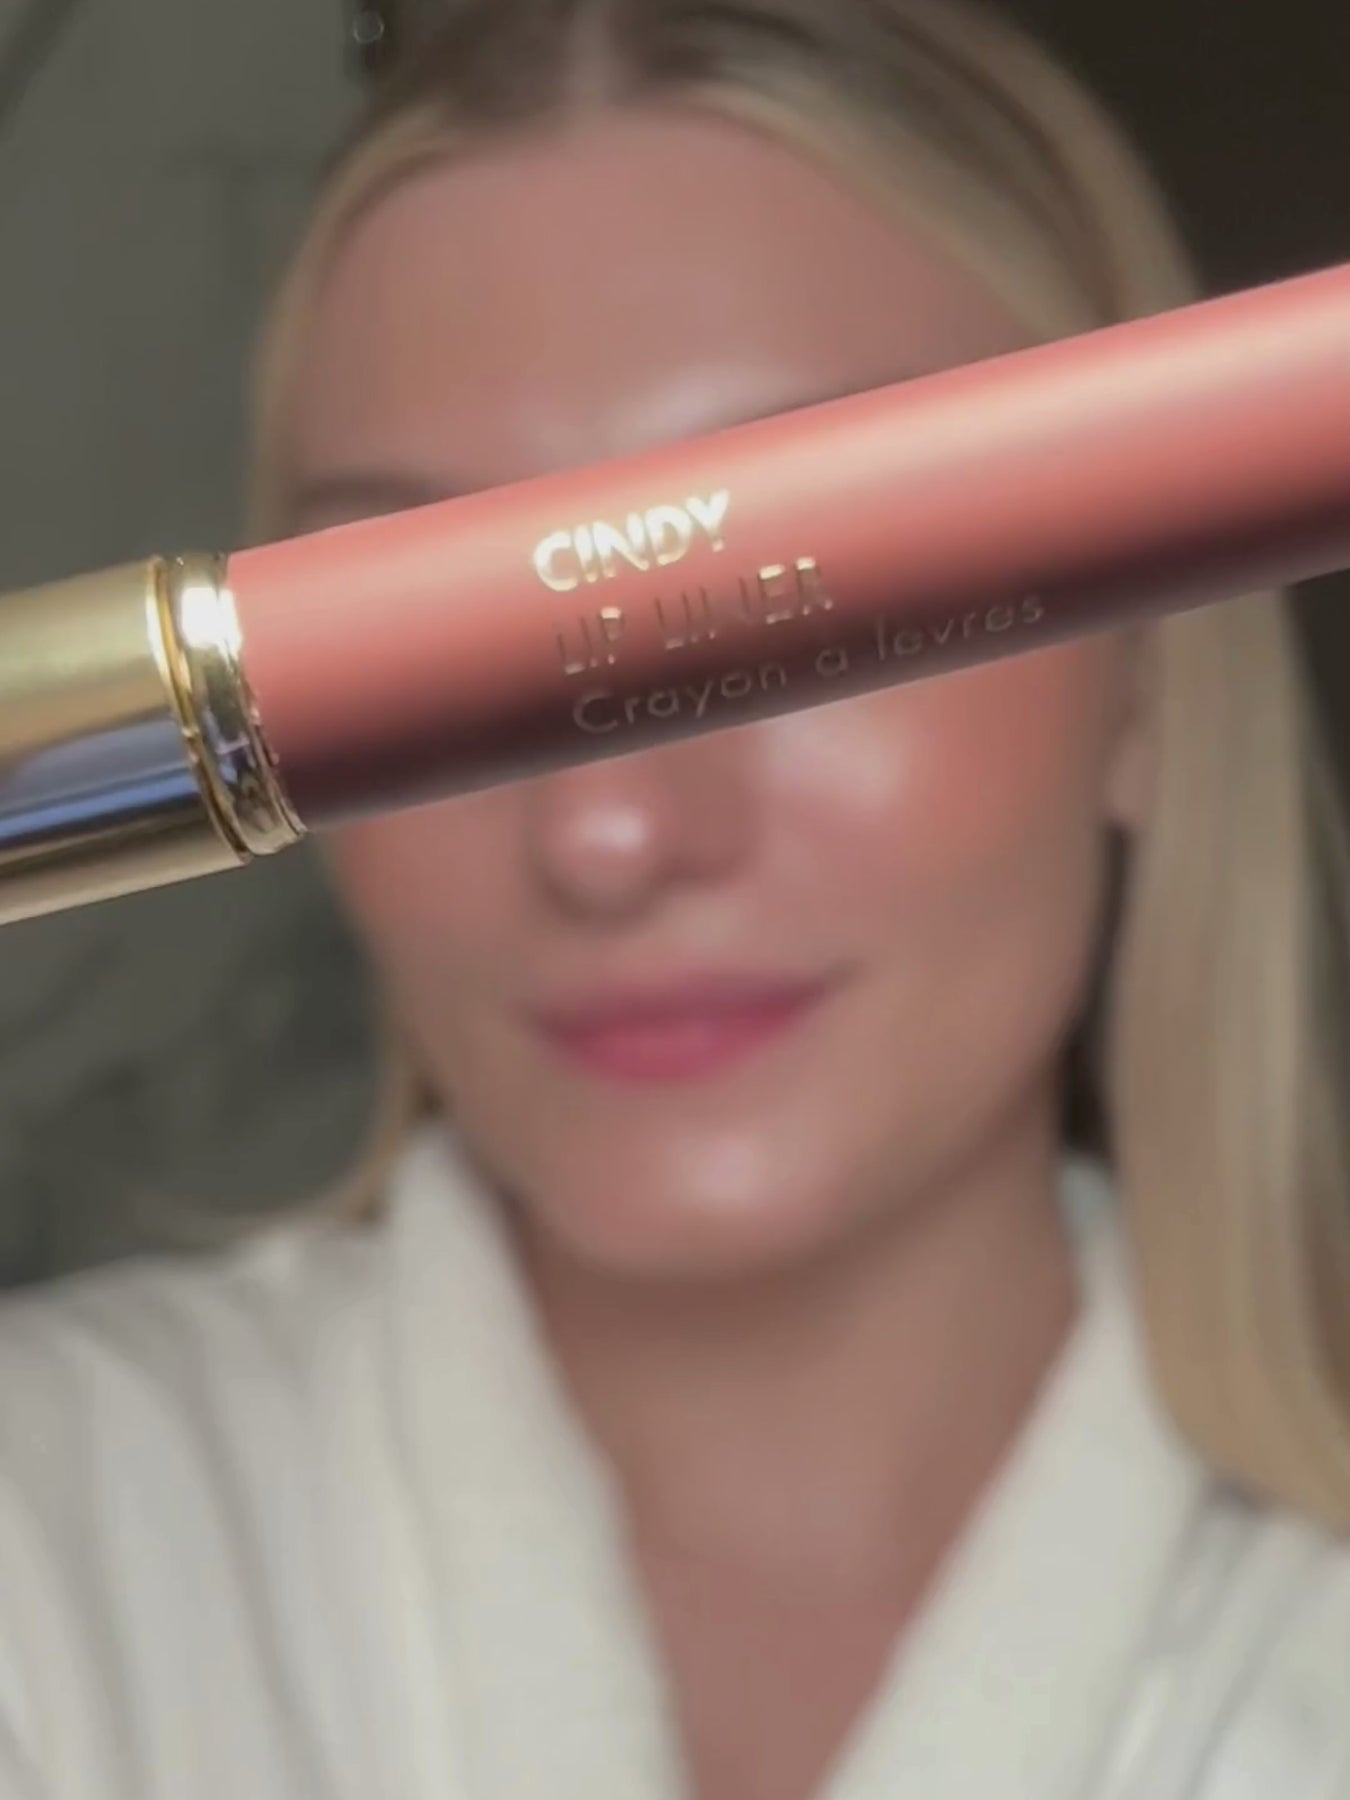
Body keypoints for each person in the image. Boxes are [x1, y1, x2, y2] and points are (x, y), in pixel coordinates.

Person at [3, 1, 1350, 1796]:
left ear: (1148, 679)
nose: (609, 833)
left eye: (805, 609)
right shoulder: (49, 1557)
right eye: (425, 667)